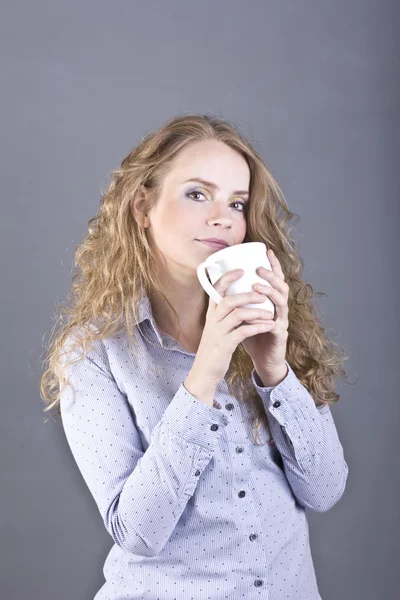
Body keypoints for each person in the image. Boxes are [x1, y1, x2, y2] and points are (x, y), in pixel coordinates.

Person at [40, 114, 349, 600]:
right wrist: (206, 371)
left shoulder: (268, 326)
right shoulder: (94, 355)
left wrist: (275, 370)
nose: (222, 217)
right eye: (197, 194)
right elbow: (138, 532)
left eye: (237, 202)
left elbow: (325, 490)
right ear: (143, 205)